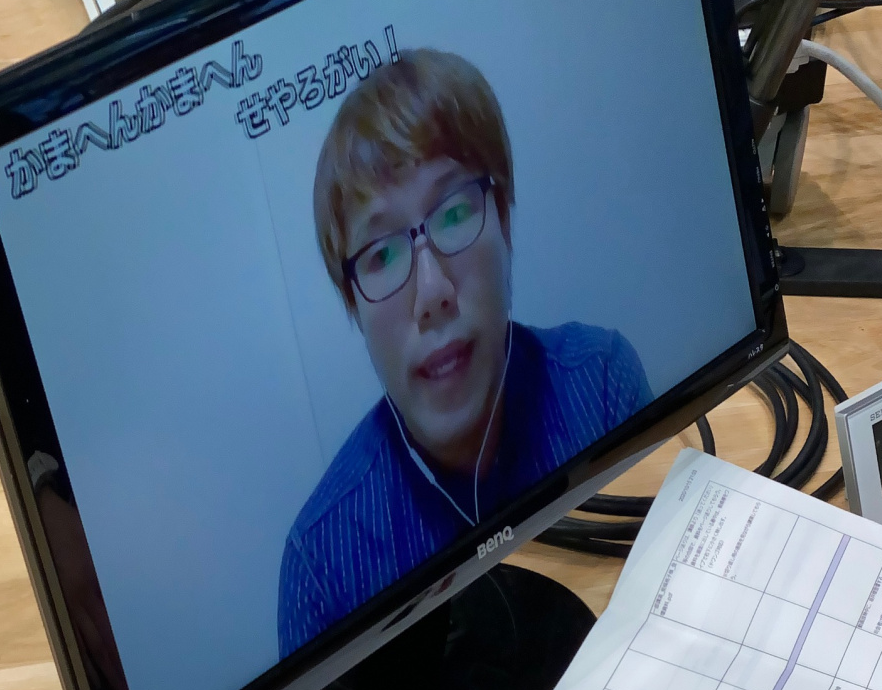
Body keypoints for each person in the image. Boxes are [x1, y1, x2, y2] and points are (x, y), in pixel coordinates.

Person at [278, 49, 654, 658]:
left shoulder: (603, 385)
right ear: (352, 304)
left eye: (454, 213)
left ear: (503, 217)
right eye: (382, 254)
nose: (432, 294)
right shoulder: (322, 565)